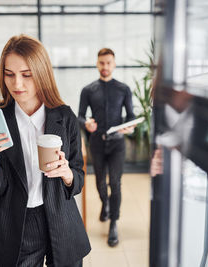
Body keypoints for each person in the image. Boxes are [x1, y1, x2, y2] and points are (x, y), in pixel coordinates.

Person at [0, 34, 90, 267]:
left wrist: (66, 173)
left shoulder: (65, 117)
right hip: (18, 222)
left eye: (26, 75)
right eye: (9, 74)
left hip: (60, 217)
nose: (17, 84)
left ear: (41, 73)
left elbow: (78, 178)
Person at [78, 48, 135, 247]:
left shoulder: (123, 89)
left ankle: (113, 223)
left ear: (114, 64)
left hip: (118, 142)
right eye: (102, 63)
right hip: (97, 142)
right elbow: (79, 116)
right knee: (100, 182)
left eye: (109, 63)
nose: (105, 67)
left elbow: (131, 116)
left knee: (116, 183)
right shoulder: (88, 90)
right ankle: (105, 203)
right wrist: (86, 124)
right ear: (97, 64)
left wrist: (129, 126)